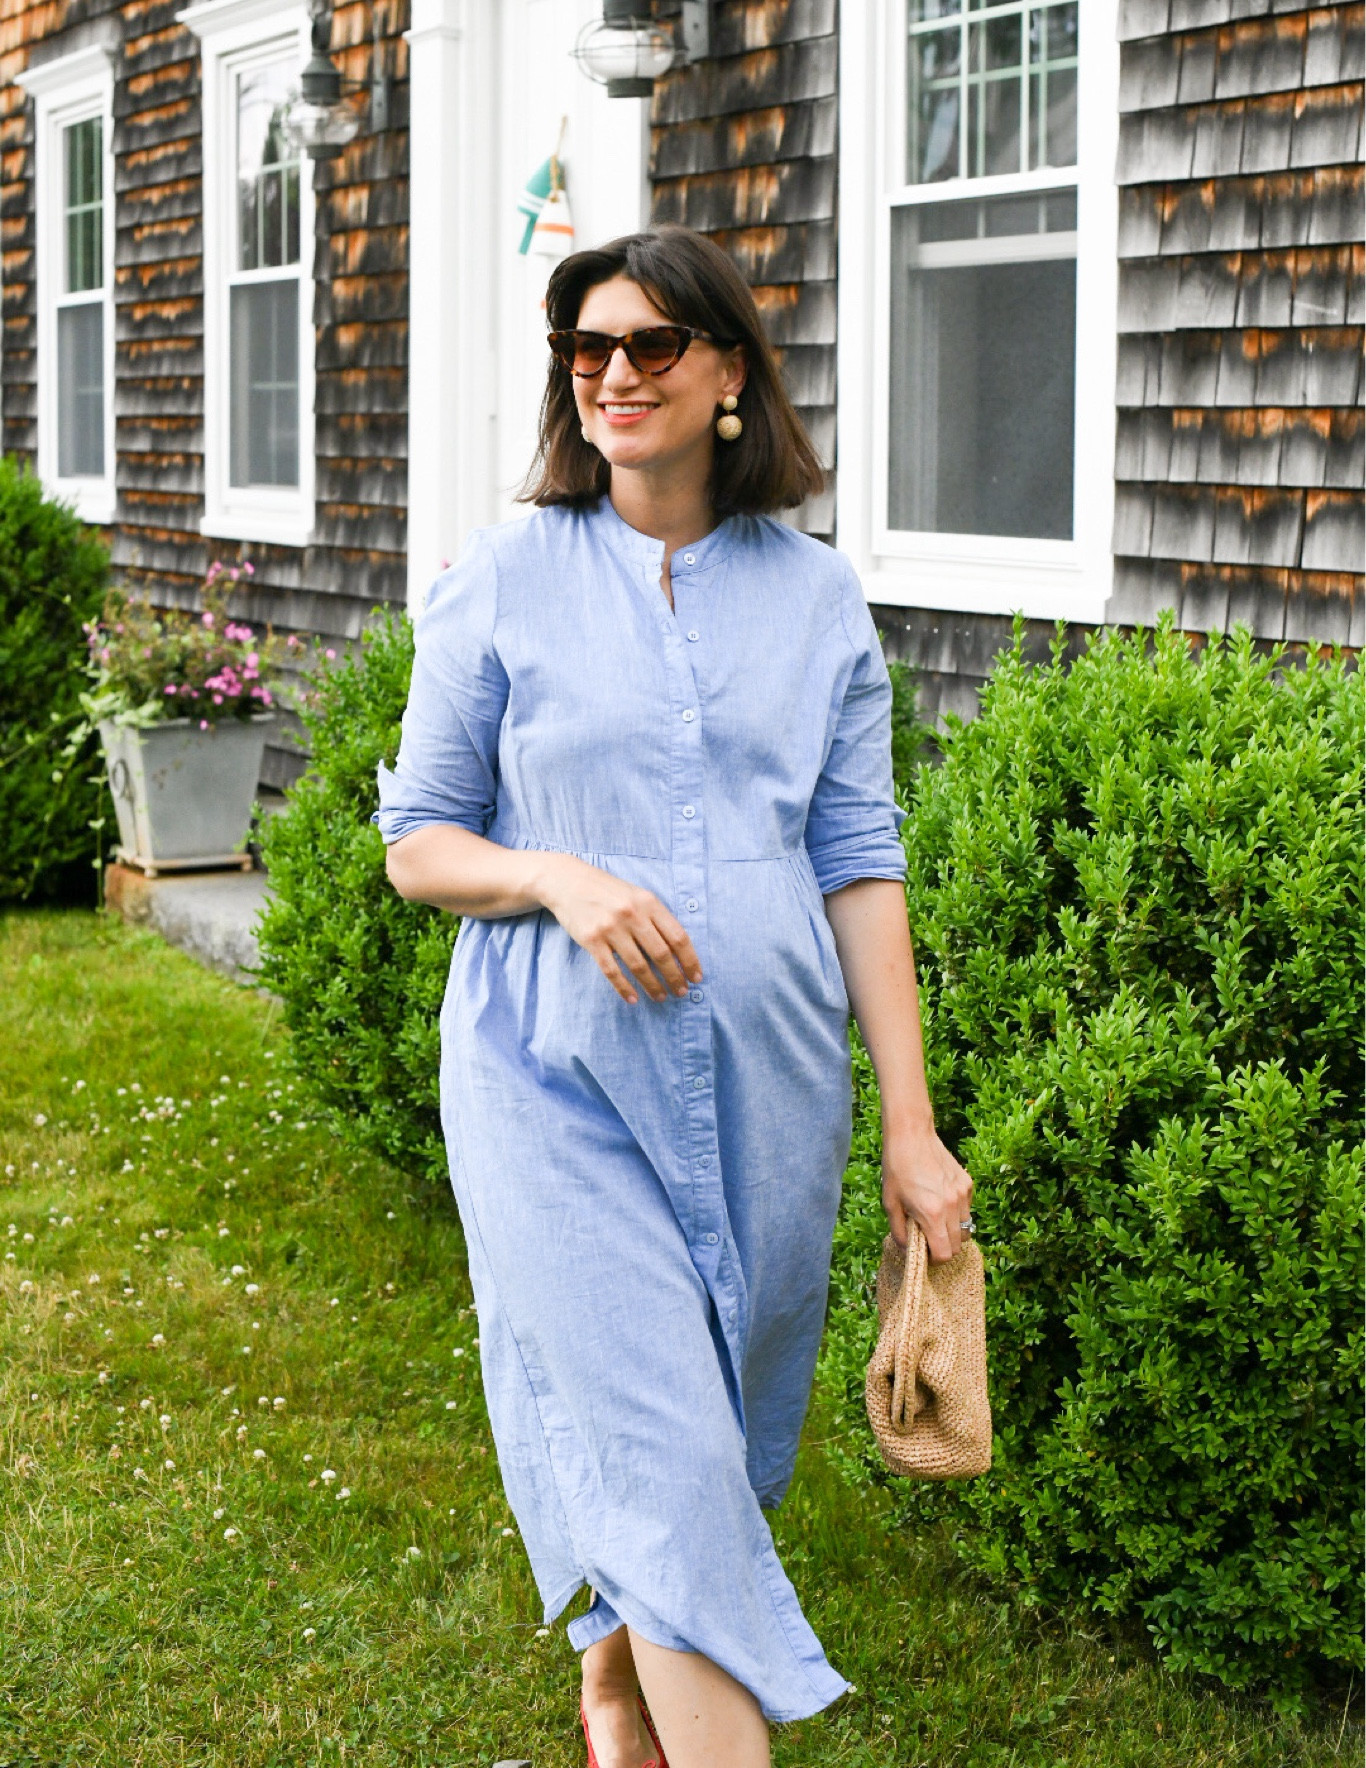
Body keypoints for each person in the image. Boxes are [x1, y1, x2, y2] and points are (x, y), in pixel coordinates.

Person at [377, 226, 973, 1768]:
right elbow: (417, 845)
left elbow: (857, 858)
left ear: (728, 376)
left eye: (652, 346)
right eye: (589, 350)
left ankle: (616, 1678)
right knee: (654, 1433)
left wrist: (911, 1131)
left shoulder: (817, 600)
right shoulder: (499, 582)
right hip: (546, 1072)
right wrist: (557, 879)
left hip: (773, 1081)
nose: (616, 375)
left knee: (720, 1420)